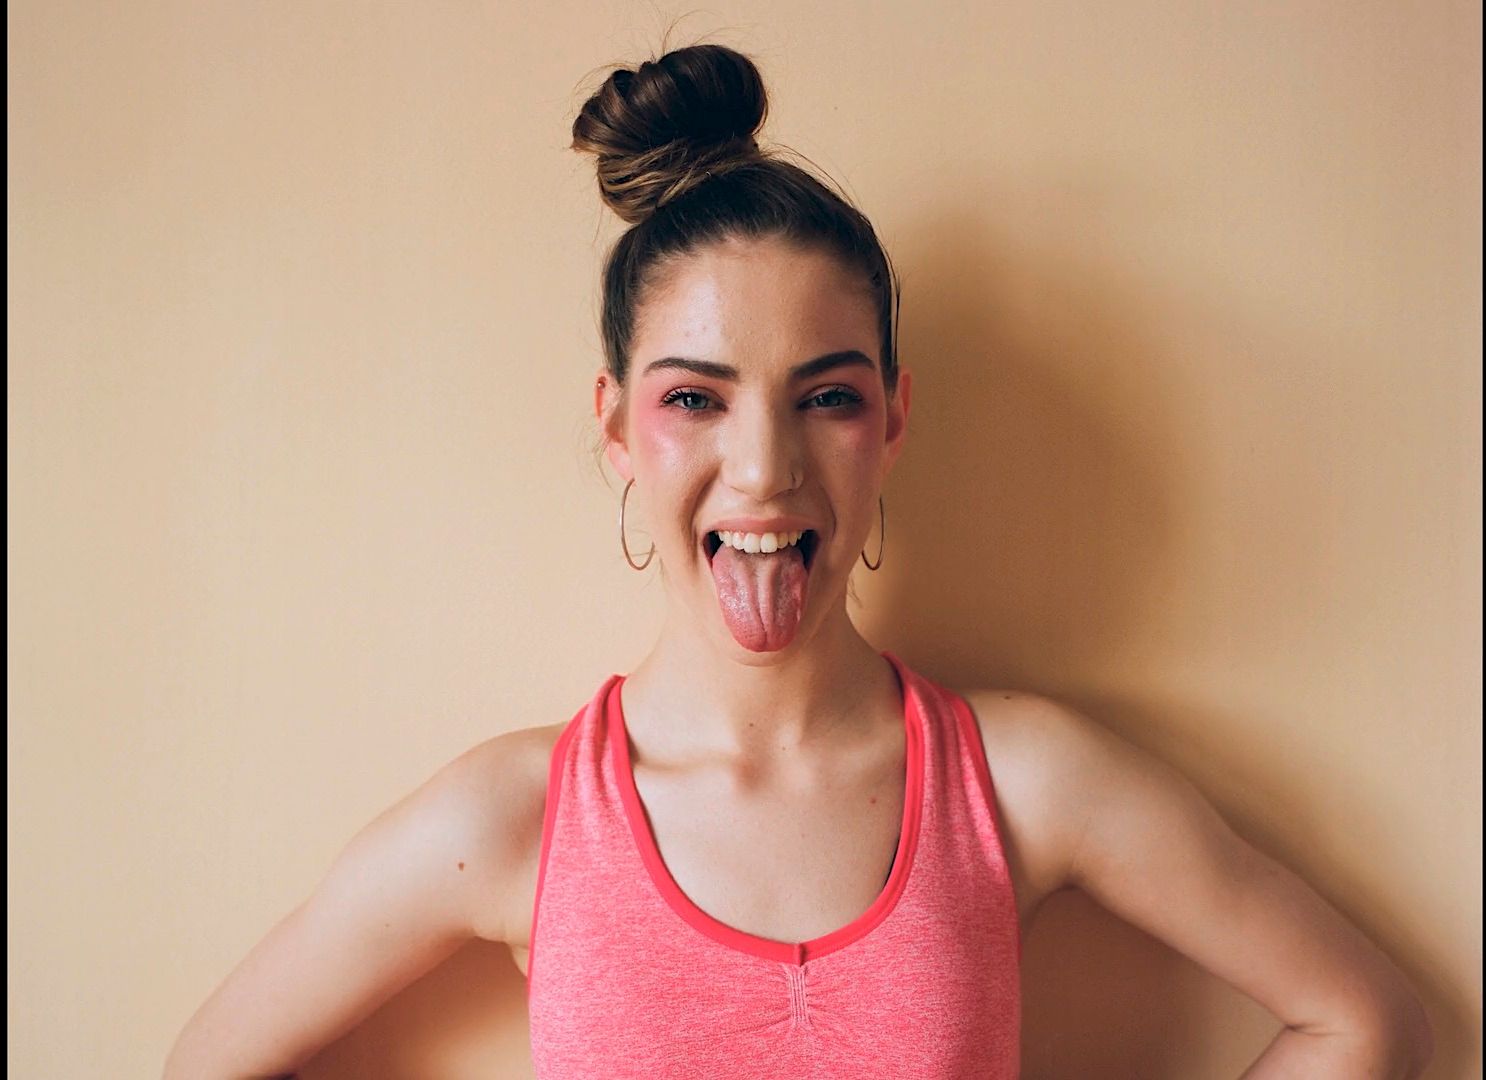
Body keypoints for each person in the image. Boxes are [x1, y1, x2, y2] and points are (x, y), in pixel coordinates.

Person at [164, 42, 1434, 1080]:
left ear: (891, 418)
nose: (764, 470)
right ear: (615, 427)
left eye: (823, 397)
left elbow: (1361, 1019)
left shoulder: (1023, 785)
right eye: (696, 401)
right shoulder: (515, 821)